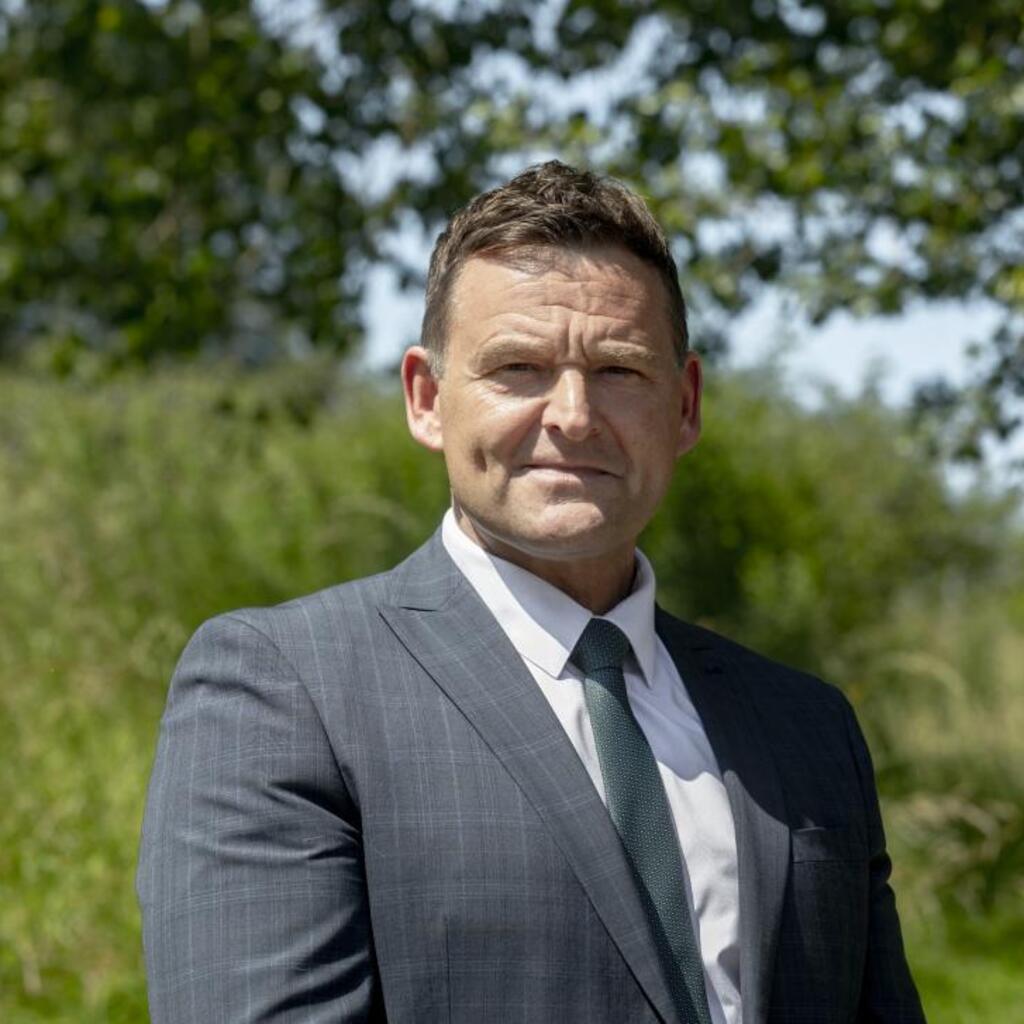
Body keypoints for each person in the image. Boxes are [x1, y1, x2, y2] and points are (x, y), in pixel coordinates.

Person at [137, 161, 926, 1024]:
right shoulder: (285, 692)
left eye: (619, 370)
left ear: (686, 405)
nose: (574, 415)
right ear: (427, 399)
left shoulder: (807, 726)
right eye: (518, 368)